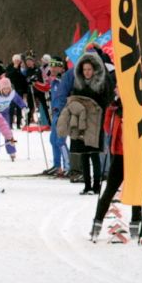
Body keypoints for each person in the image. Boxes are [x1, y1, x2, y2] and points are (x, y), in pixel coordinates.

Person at [90, 94, 142, 242]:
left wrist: (128, 115)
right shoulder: (116, 107)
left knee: (136, 190)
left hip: (136, 154)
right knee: (109, 190)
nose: (118, 90)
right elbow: (108, 129)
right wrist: (111, 111)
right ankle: (97, 223)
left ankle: (136, 224)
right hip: (119, 154)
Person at [58, 52, 110, 195]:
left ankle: (96, 186)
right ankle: (87, 185)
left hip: (95, 123)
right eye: (84, 69)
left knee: (94, 155)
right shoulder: (78, 84)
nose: (87, 72)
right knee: (84, 155)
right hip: (81, 122)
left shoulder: (100, 84)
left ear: (94, 70)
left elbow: (106, 101)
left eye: (89, 69)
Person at [0, 76, 26, 160]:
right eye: (4, 89)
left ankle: (12, 151)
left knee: (8, 132)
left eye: (8, 88)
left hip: (5, 113)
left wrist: (24, 107)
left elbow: (19, 100)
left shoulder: (12, 93)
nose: (7, 91)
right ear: (0, 89)